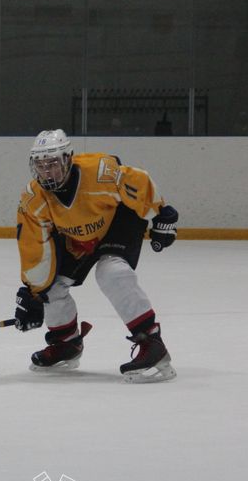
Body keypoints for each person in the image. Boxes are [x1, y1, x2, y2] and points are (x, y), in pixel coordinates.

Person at [14, 129, 178, 383]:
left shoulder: (100, 172)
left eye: (53, 164)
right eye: (41, 165)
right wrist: (34, 292)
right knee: (51, 287)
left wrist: (161, 214)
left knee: (111, 272)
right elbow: (35, 245)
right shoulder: (34, 198)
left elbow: (138, 181)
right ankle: (66, 343)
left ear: (68, 158)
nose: (46, 172)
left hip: (118, 222)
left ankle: (152, 342)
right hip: (77, 238)